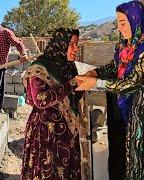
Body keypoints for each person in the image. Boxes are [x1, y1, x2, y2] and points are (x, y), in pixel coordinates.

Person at [76, 1, 144, 179]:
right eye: (118, 23)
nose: (119, 28)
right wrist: (95, 72)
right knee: (119, 155)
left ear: (136, 20)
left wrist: (96, 83)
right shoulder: (124, 45)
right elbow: (115, 67)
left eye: (123, 22)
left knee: (136, 159)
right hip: (120, 109)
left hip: (138, 113)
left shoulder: (143, 50)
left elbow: (132, 82)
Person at [21, 28, 83, 179]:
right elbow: (40, 99)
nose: (76, 49)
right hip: (46, 133)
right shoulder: (40, 68)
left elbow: (72, 95)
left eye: (76, 44)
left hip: (67, 133)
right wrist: (73, 83)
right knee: (48, 170)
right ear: (60, 45)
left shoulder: (68, 66)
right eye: (72, 44)